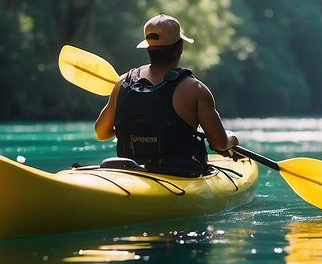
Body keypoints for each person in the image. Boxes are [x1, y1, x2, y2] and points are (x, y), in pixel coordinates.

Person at [94, 14, 239, 173]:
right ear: (180, 47)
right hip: (178, 173)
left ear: (148, 48)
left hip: (130, 171)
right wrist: (231, 138)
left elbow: (101, 133)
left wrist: (135, 131)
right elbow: (219, 143)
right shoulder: (196, 90)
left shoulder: (123, 83)